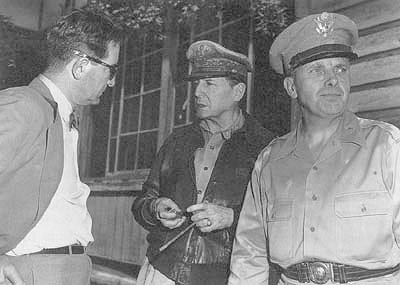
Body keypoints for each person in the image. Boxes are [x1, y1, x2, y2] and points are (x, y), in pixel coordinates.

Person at [229, 11, 400, 285]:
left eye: (340, 69)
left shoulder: (388, 147)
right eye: (317, 70)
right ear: (291, 87)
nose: (333, 80)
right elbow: (249, 256)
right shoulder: (270, 162)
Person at [132, 40, 275, 285]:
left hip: (228, 275)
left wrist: (231, 217)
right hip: (162, 269)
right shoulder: (177, 141)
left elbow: (279, 217)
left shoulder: (265, 147)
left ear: (237, 92)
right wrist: (156, 207)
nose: (197, 92)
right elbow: (142, 203)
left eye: (209, 83)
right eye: (197, 83)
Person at [0, 9, 122, 285]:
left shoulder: (60, 115)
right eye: (110, 69)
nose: (112, 80)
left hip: (64, 269)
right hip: (35, 271)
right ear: (80, 66)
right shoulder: (26, 106)